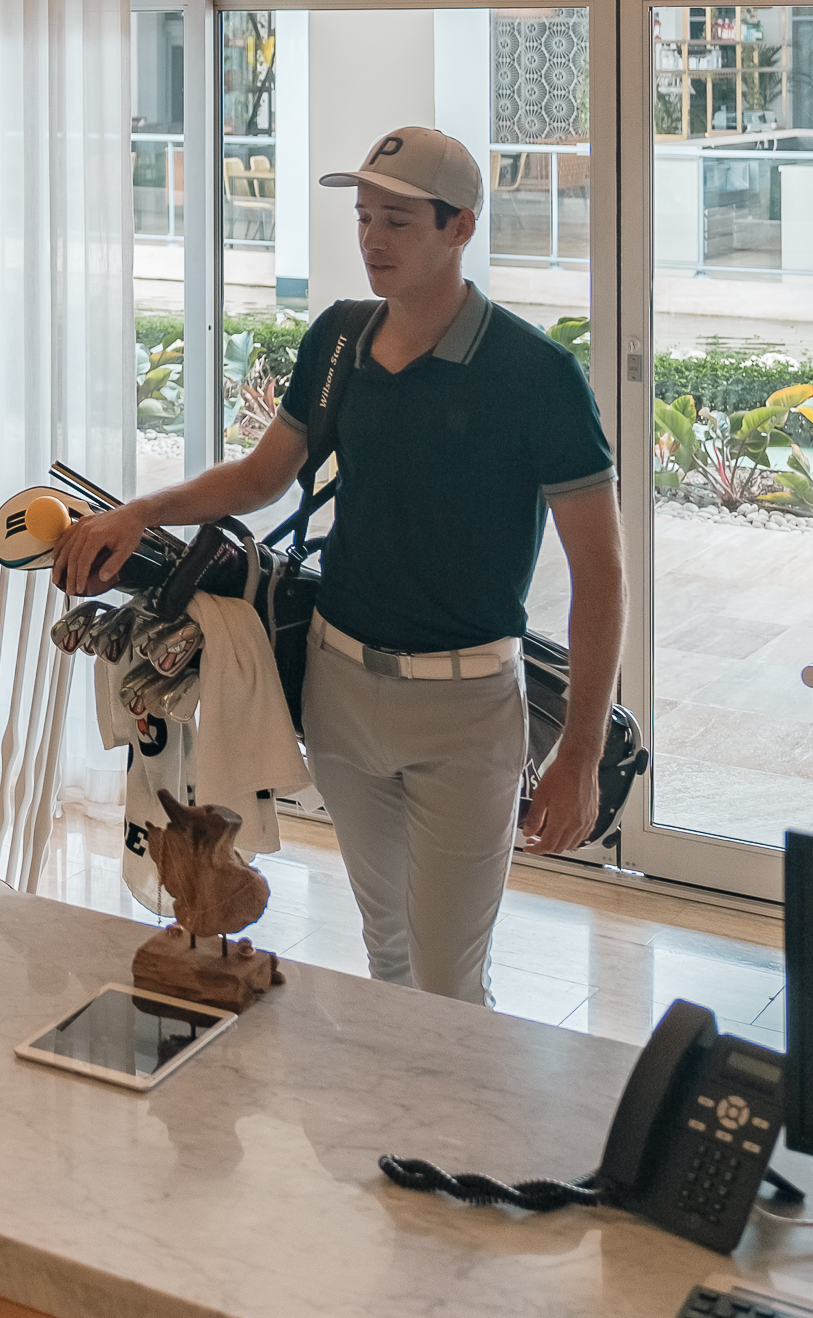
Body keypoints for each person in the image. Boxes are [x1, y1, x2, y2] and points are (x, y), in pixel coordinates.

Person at [55, 125, 624, 1006]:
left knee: (445, 977)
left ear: (459, 227)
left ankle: (461, 1141)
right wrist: (139, 512)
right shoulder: (339, 341)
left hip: (466, 711)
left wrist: (579, 752)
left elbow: (601, 573)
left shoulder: (535, 376)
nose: (372, 240)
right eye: (363, 217)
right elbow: (259, 476)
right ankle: (395, 1138)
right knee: (386, 950)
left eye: (397, 220)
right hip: (341, 689)